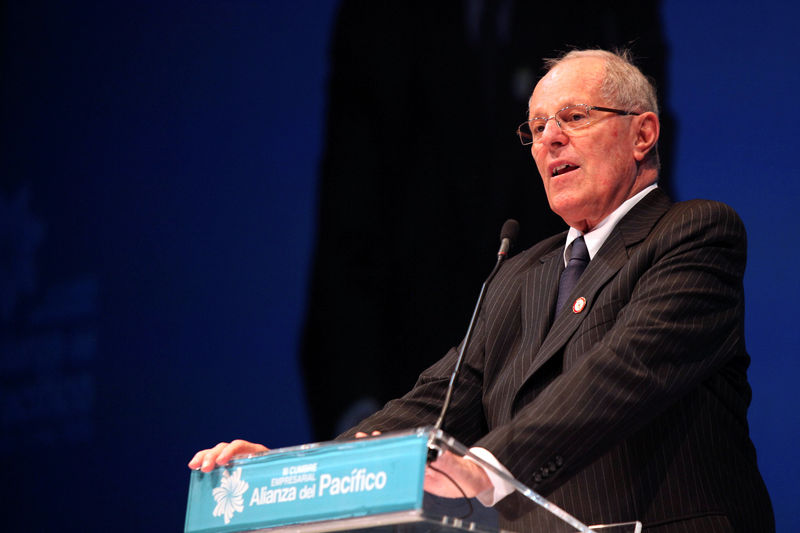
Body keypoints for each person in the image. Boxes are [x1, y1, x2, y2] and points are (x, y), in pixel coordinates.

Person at [189, 49, 774, 532]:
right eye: (537, 127)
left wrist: (488, 465)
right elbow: (436, 402)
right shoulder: (520, 274)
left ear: (642, 132)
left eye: (573, 118)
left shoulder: (695, 234)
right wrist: (305, 473)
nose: (549, 141)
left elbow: (627, 371)